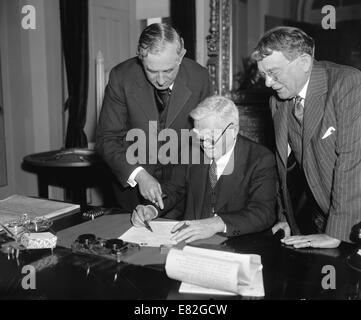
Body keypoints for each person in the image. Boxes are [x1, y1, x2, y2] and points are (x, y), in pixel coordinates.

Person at [252, 26, 361, 248]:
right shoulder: (278, 101)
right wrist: (284, 219)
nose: (268, 83)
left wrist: (336, 233)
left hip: (354, 222)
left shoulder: (348, 83)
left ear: (303, 62)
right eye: (264, 75)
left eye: (274, 73)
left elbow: (351, 162)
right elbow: (284, 167)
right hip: (324, 218)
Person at [95, 23, 211, 211]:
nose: (161, 80)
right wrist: (139, 175)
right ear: (141, 58)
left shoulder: (200, 77)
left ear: (181, 55)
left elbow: (204, 138)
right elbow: (107, 138)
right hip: (132, 189)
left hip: (182, 189)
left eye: (168, 71)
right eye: (151, 70)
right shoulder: (121, 77)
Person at [131, 96, 277, 243]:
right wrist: (151, 208)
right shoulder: (193, 151)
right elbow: (173, 188)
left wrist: (217, 223)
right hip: (190, 243)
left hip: (234, 246)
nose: (205, 145)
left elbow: (263, 213)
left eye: (211, 138)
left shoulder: (260, 159)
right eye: (200, 137)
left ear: (233, 131)